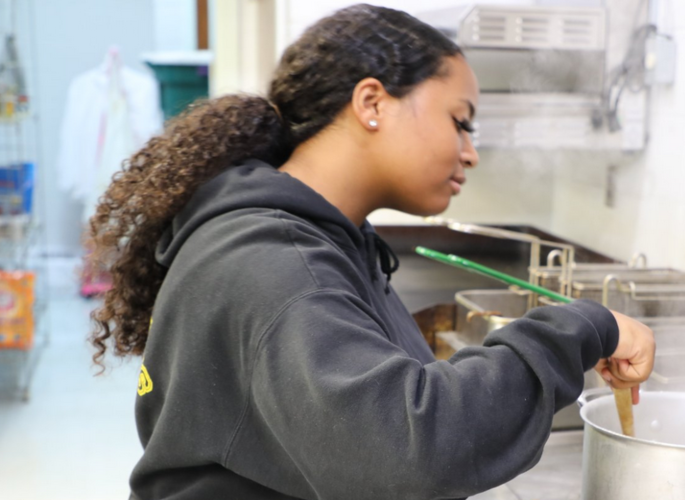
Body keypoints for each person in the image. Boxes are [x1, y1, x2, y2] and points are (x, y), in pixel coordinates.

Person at [87, 5, 655, 499]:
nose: (470, 152)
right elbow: (412, 447)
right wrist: (584, 328)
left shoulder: (325, 243)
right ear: (372, 102)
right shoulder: (277, 264)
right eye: (460, 122)